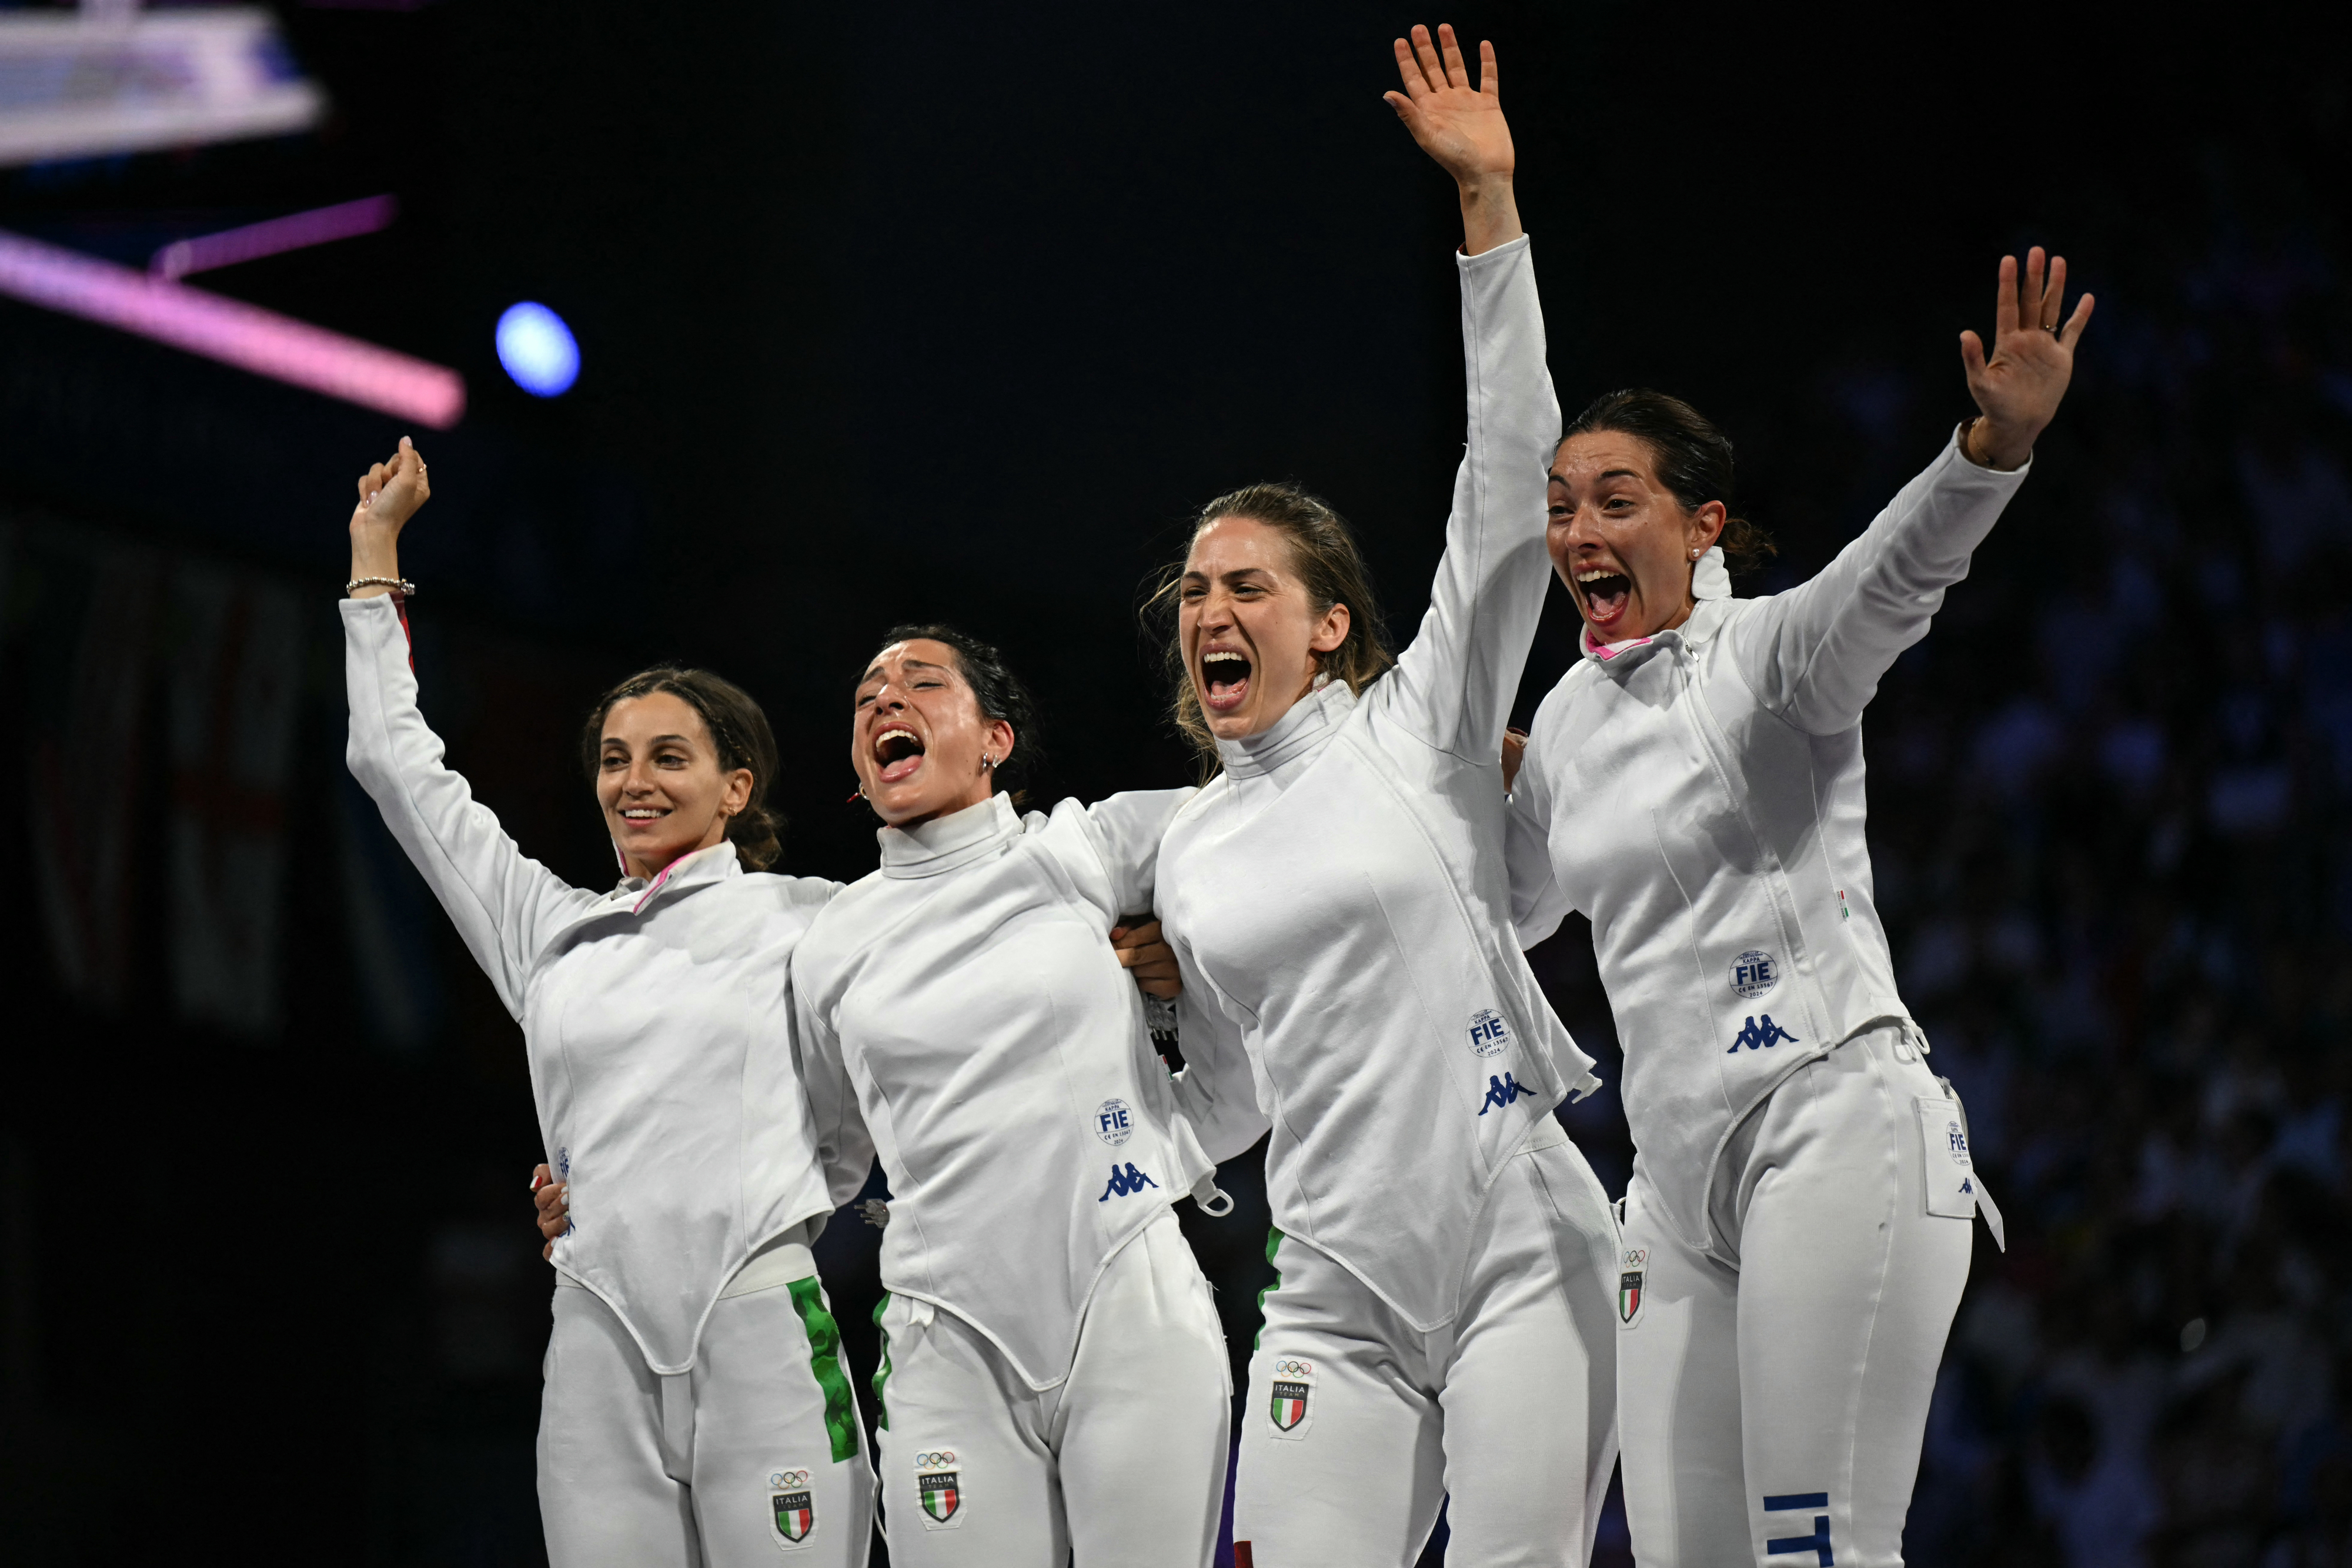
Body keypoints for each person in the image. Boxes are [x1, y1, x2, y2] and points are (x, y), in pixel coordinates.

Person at [1504, 252, 2093, 1566]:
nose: (1579, 531)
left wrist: (1991, 447)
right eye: (1559, 507)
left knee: (1815, 1547)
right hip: (1672, 1193)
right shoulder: (1565, 722)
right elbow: (1507, 904)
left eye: (1616, 500)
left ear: (1701, 526)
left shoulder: (1769, 658)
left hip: (1831, 1126)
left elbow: (1895, 576)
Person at [1146, 26, 1620, 1566]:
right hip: (1329, 1292)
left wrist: (1486, 205)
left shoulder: (1423, 720)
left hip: (1517, 1246)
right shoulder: (1188, 851)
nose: (1211, 609)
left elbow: (1513, 466)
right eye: (1194, 590)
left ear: (1331, 622)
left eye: (1247, 584)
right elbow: (1223, 1100)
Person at [340, 439, 874, 1567]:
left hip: (760, 1327)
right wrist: (374, 554)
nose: (634, 781)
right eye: (615, 759)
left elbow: (912, 1053)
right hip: (594, 1342)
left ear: (735, 788)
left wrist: (800, 1196)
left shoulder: (813, 919)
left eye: (669, 757)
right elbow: (396, 766)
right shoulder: (550, 933)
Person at [784, 625, 1247, 1566]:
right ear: (861, 770)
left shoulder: (1082, 849)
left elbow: (1278, 811)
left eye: (922, 683)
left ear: (996, 738)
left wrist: (1187, 986)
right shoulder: (829, 941)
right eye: (868, 697)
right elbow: (813, 1156)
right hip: (945, 1336)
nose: (886, 701)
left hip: (1128, 1304)